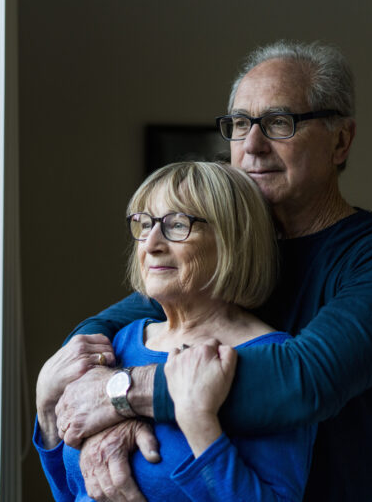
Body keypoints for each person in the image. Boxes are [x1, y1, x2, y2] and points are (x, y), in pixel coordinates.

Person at [38, 40, 372, 501]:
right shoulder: (221, 250)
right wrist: (99, 406)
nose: (252, 145)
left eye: (279, 122)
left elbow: (302, 383)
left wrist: (119, 393)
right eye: (240, 124)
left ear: (341, 140)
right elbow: (105, 330)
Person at [34, 161, 316, 501]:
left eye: (178, 224)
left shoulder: (268, 358)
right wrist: (47, 411)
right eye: (144, 223)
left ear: (234, 240)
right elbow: (73, 492)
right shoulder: (122, 341)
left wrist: (200, 425)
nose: (151, 243)